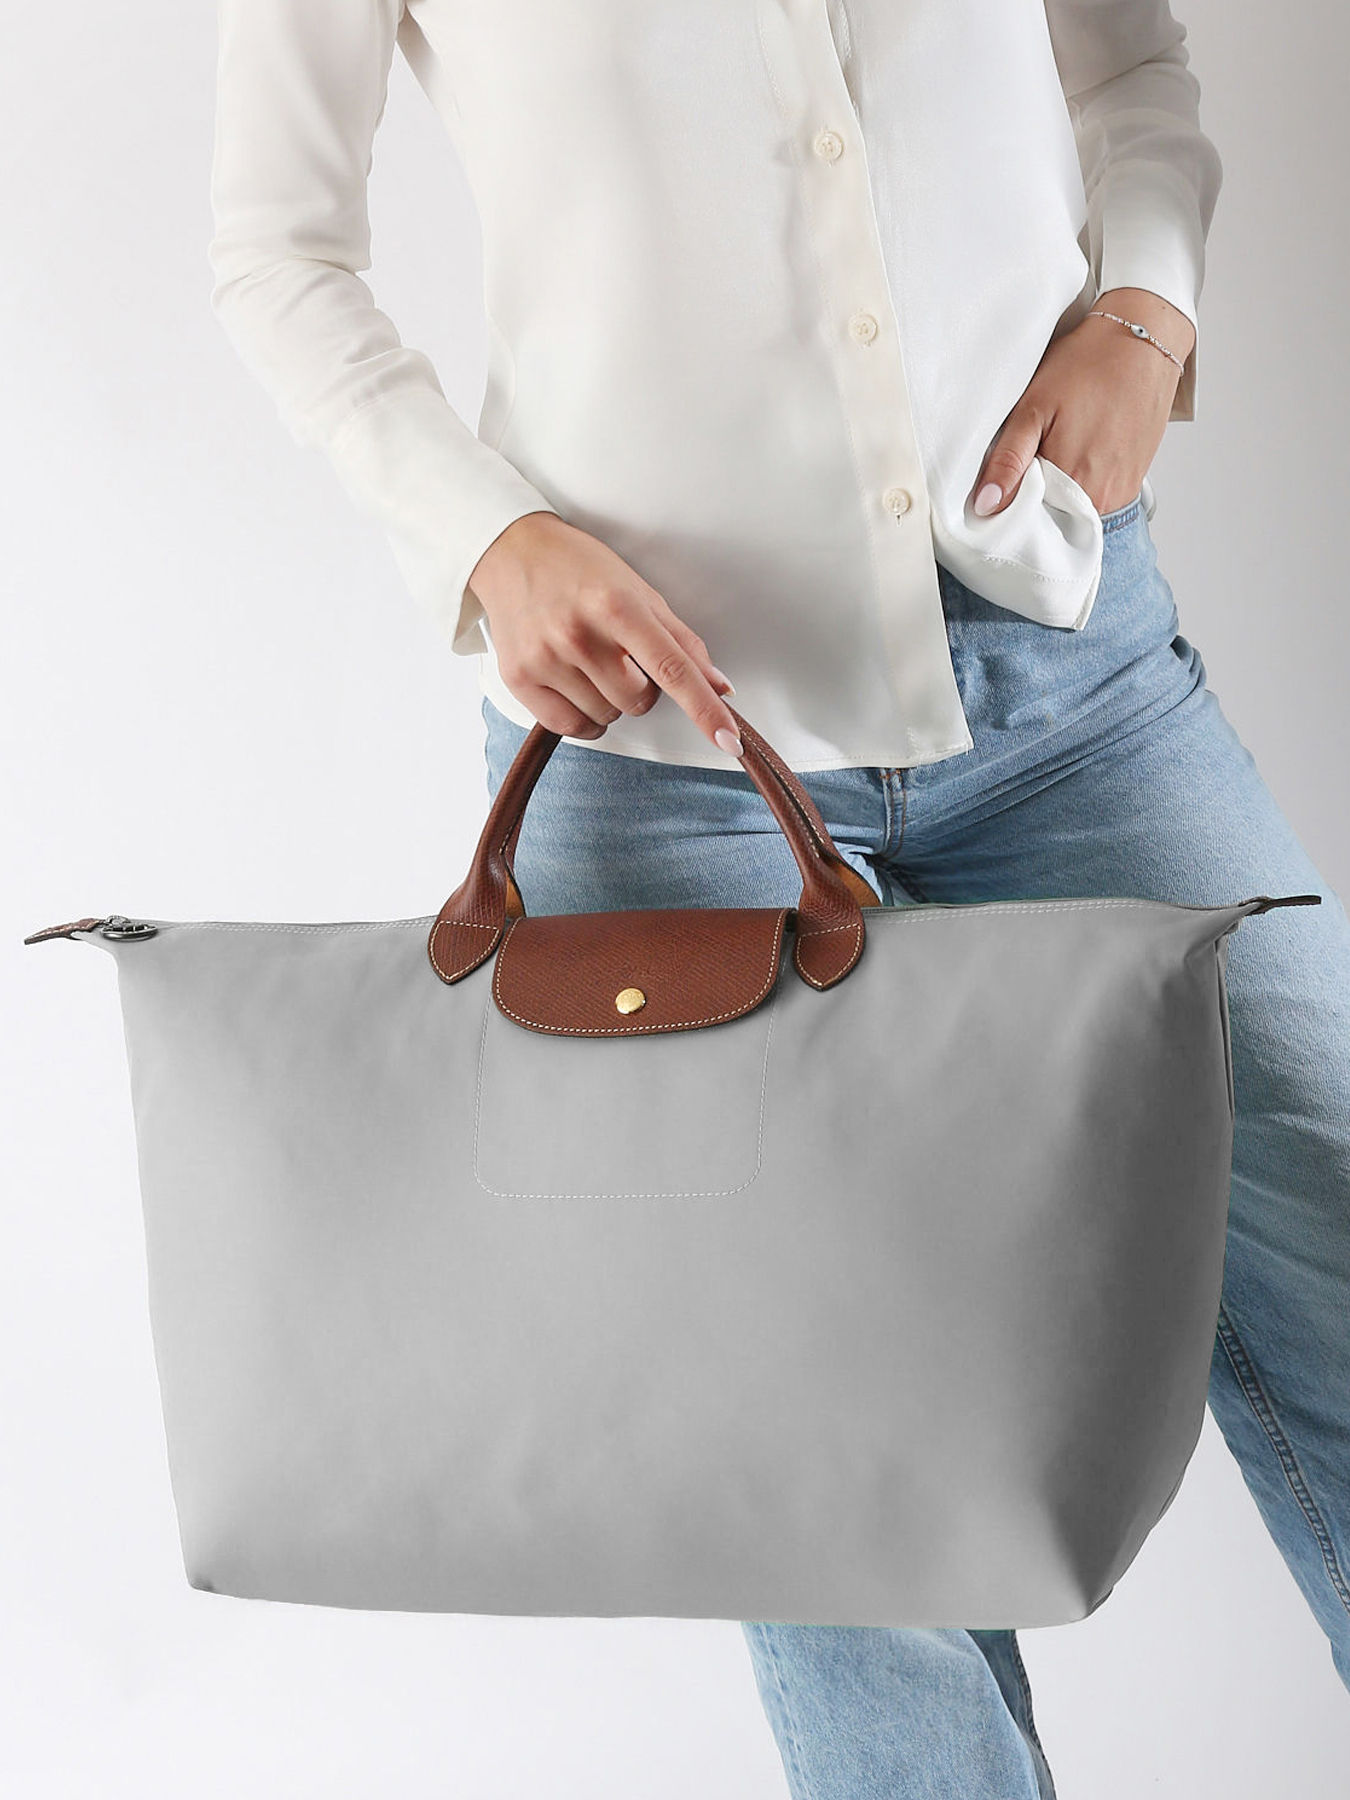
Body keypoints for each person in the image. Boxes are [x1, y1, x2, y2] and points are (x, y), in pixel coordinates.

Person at [208, 2, 1350, 1792]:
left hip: (1071, 677)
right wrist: (487, 535)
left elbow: (1131, 69)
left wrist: (1145, 308)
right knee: (833, 1505)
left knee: (1330, 1232)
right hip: (656, 765)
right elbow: (277, 249)